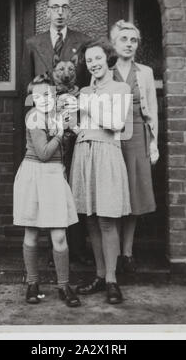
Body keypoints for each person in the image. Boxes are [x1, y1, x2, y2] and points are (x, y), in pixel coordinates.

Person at [22, 0, 91, 265]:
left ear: (70, 12)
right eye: (54, 7)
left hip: (72, 123)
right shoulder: (32, 42)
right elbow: (25, 88)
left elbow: (86, 85)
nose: (60, 12)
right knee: (46, 183)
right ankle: (46, 249)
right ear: (47, 12)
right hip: (43, 127)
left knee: (73, 182)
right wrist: (35, 126)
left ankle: (76, 247)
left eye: (64, 7)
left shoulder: (82, 42)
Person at [69, 38, 132, 304]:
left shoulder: (121, 88)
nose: (93, 64)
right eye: (88, 60)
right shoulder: (83, 92)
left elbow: (116, 123)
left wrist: (86, 108)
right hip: (84, 153)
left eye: (97, 58)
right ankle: (98, 275)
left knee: (107, 219)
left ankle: (112, 280)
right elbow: (75, 123)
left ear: (107, 58)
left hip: (107, 153)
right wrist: (73, 121)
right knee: (91, 219)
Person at [13, 74, 81, 307]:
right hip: (34, 173)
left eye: (49, 94)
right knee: (31, 232)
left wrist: (70, 127)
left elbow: (71, 136)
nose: (44, 98)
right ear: (32, 98)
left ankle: (64, 285)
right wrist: (61, 133)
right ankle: (32, 283)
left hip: (53, 176)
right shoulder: (33, 116)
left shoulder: (56, 116)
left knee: (59, 235)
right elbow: (42, 153)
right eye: (39, 95)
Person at [110, 20, 159, 273]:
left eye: (133, 40)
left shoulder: (146, 73)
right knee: (115, 194)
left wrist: (153, 144)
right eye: (123, 39)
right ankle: (113, 252)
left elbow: (152, 111)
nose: (129, 44)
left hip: (138, 136)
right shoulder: (106, 72)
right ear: (114, 43)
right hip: (113, 139)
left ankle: (127, 253)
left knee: (134, 194)